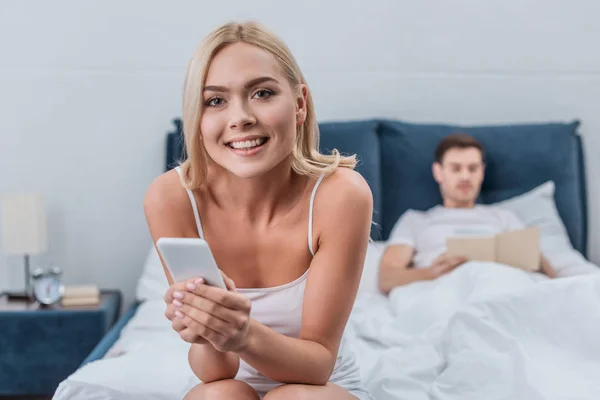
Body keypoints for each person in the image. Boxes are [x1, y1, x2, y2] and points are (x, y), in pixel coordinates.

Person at [143, 21, 373, 400]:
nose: (241, 117)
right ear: (197, 120)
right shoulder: (170, 197)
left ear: (299, 104)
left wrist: (243, 333)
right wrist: (204, 332)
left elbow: (317, 365)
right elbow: (216, 373)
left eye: (262, 93)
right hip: (224, 385)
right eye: (215, 101)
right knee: (221, 396)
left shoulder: (341, 195)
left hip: (317, 386)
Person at [378, 133, 557, 295]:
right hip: (442, 289)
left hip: (498, 286)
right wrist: (431, 273)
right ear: (438, 172)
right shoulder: (416, 220)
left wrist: (532, 259)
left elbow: (550, 277)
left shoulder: (503, 217)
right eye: (456, 169)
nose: (465, 176)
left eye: (472, 169)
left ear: (482, 172)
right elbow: (387, 279)